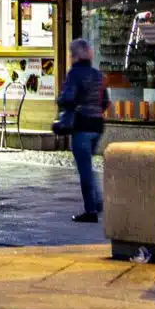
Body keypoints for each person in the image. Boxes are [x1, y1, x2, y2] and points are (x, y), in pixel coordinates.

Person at [54, 36, 108, 224]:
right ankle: (97, 201)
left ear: (75, 56)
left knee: (84, 169)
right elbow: (105, 102)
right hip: (97, 126)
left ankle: (91, 210)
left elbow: (68, 98)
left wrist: (60, 101)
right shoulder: (98, 74)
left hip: (82, 125)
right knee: (88, 166)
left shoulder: (75, 74)